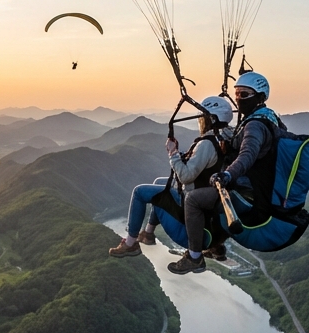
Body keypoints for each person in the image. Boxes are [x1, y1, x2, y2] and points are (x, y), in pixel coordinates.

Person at [167, 71, 279, 275]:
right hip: (258, 189)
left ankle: (194, 256)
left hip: (248, 193)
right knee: (208, 195)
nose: (238, 99)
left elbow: (247, 155)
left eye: (244, 95)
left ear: (261, 97)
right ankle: (215, 246)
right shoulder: (269, 119)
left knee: (193, 199)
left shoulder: (255, 125)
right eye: (236, 94)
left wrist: (228, 175)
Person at [108, 96, 233, 257]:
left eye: (202, 118)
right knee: (160, 182)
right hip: (210, 202)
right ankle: (148, 233)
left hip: (193, 204)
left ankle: (130, 243)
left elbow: (186, 177)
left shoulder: (207, 143)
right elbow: (208, 164)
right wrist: (184, 156)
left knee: (139, 192)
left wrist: (173, 153)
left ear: (210, 119)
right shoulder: (228, 137)